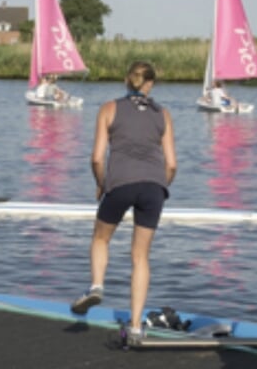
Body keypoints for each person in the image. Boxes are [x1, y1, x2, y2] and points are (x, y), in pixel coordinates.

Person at [69, 61, 177, 343]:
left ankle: (96, 285)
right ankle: (137, 326)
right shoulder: (163, 114)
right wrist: (160, 187)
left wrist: (101, 184)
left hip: (120, 183)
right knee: (140, 257)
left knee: (101, 238)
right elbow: (172, 164)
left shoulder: (108, 109)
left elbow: (96, 157)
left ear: (127, 81)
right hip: (154, 187)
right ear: (150, 83)